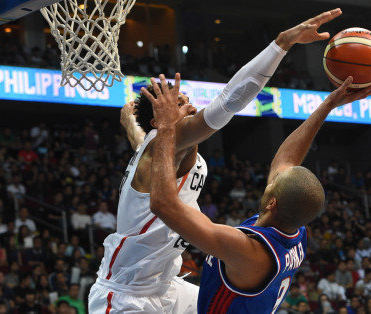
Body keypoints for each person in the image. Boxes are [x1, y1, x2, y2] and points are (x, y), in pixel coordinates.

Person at [87, 8, 348, 314]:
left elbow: (143, 146)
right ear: (162, 122)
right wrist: (281, 43)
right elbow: (229, 100)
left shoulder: (160, 150)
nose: (191, 107)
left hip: (166, 285)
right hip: (126, 293)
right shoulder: (164, 142)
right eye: (178, 105)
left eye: (186, 100)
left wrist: (131, 125)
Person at [145, 51, 371, 312]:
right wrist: (328, 105)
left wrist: (165, 128)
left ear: (272, 202)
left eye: (273, 182)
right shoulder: (295, 228)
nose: (272, 176)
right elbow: (287, 159)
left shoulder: (248, 251)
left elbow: (163, 204)